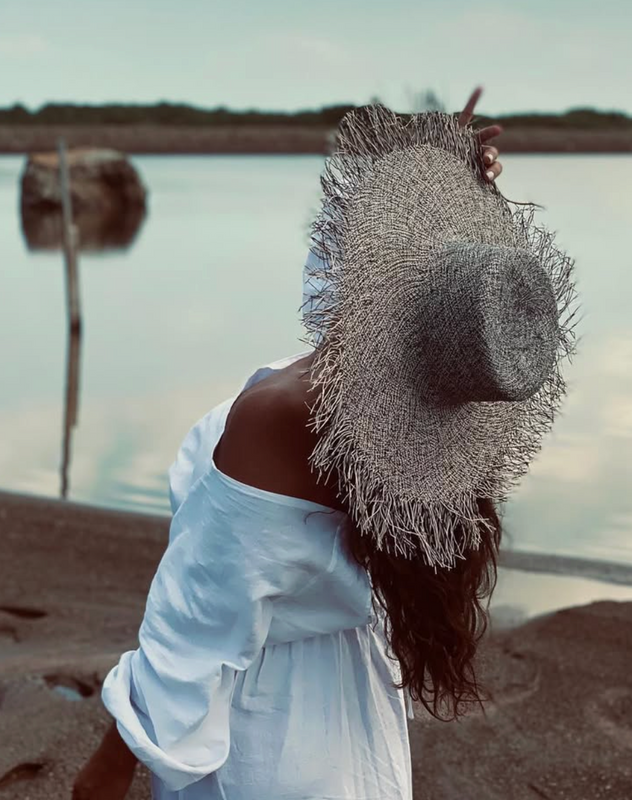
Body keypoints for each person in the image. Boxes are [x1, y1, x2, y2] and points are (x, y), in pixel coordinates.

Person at [72, 86, 576, 800]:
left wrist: (111, 764)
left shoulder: (282, 416)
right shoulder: (436, 431)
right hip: (355, 726)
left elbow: (196, 632)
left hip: (270, 742)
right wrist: (450, 181)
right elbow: (339, 269)